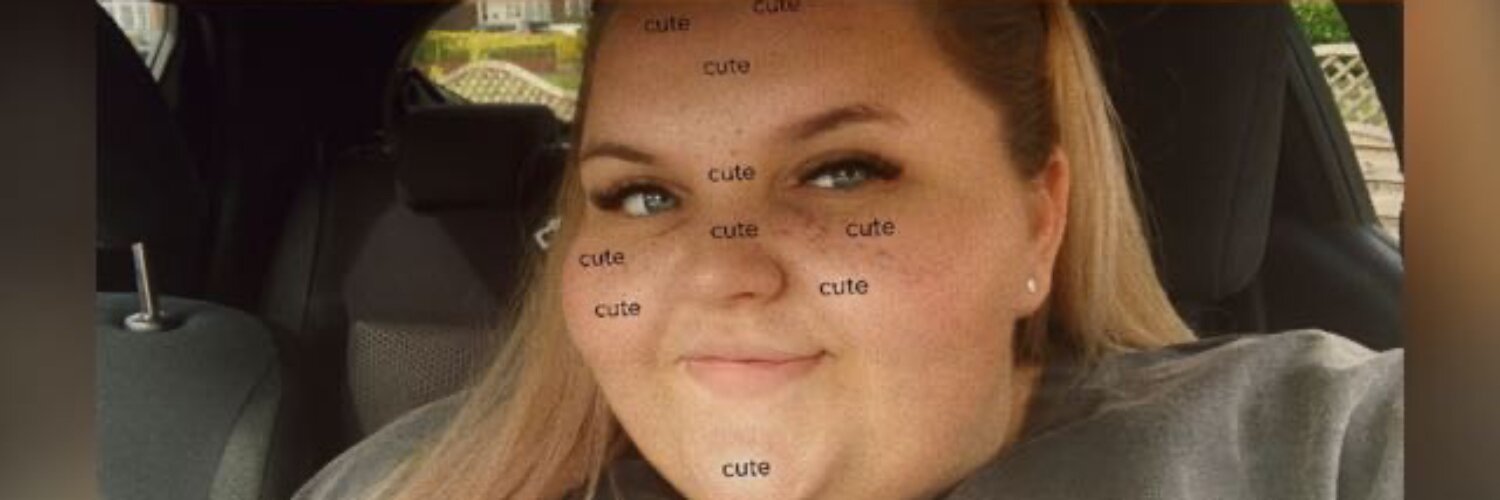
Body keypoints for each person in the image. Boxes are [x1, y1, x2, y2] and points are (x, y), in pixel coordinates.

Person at [296, 1, 1403, 499]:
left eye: (841, 174)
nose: (720, 271)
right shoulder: (407, 485)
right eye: (641, 195)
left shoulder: (1308, 448)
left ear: (1039, 216)